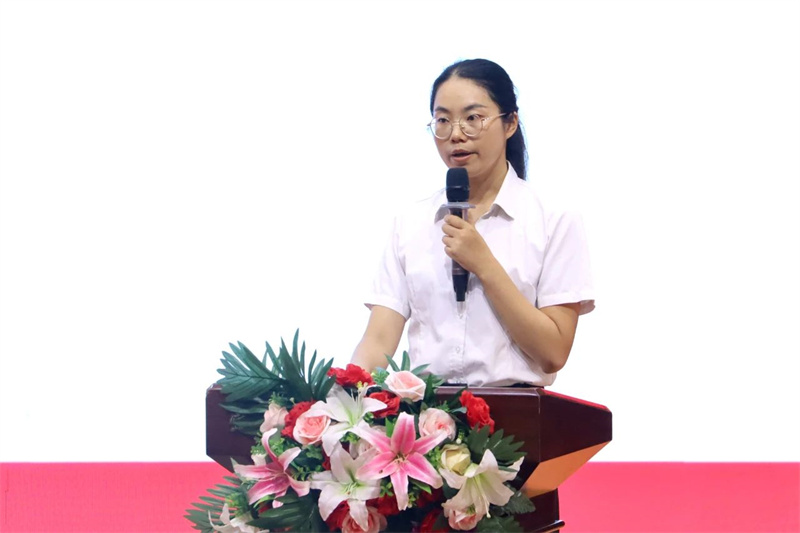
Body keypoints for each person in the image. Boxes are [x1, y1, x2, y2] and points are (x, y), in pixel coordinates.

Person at [351, 59, 594, 387]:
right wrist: (339, 399)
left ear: (510, 123)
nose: (455, 135)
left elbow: (554, 351)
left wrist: (484, 264)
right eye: (443, 121)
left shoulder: (554, 220)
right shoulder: (410, 224)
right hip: (427, 412)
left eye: (472, 119)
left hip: (517, 413)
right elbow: (378, 342)